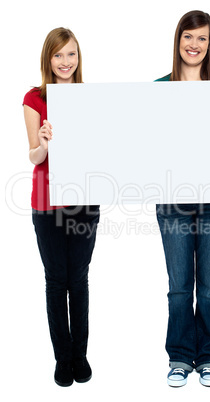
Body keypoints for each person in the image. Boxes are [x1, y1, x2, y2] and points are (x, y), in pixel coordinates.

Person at [155, 10, 210, 387]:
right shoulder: (159, 87)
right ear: (178, 41)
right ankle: (179, 357)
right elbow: (146, 146)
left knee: (209, 285)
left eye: (202, 38)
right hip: (172, 197)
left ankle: (208, 358)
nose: (194, 45)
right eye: (189, 37)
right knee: (178, 286)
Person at [23, 28, 100, 387]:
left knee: (79, 280)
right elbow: (34, 157)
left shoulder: (90, 97)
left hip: (84, 201)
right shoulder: (35, 98)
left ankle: (81, 354)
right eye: (58, 55)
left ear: (78, 58)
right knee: (56, 281)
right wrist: (43, 142)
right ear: (48, 59)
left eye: (71, 54)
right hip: (48, 203)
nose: (65, 62)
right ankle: (63, 358)